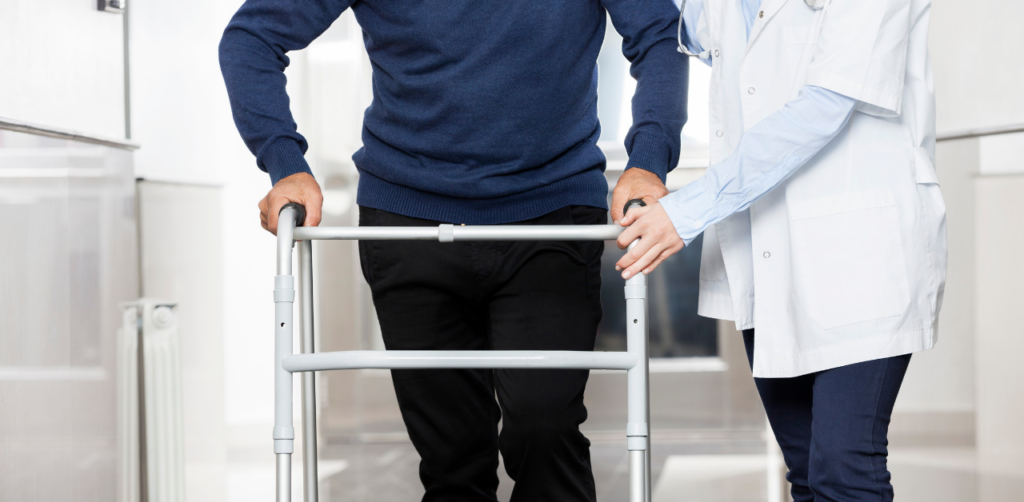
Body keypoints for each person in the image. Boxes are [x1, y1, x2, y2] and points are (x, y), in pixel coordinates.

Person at [218, 1, 687, 500]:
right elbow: (251, 38)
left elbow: (661, 33)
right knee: (452, 460)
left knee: (544, 431)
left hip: (549, 213)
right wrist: (284, 162)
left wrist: (649, 160)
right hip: (407, 221)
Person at [616, 0, 946, 500]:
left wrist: (688, 211)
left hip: (859, 253)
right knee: (807, 474)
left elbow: (825, 104)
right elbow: (679, 37)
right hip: (765, 248)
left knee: (843, 467)